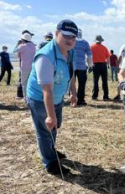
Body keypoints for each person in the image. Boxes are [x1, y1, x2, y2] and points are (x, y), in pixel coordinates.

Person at [26, 19, 78, 175]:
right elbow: (46, 89)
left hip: (56, 98)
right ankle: (50, 163)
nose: (69, 40)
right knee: (45, 129)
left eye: (73, 37)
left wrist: (73, 93)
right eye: (65, 36)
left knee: (55, 126)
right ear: (56, 34)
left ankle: (51, 150)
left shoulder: (71, 52)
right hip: (40, 99)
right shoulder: (45, 57)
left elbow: (71, 75)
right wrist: (50, 115)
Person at [13, 33, 36, 100]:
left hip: (24, 67)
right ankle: (31, 96)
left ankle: (26, 97)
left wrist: (18, 44)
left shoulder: (22, 46)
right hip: (32, 67)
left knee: (24, 83)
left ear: (23, 39)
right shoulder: (33, 46)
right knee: (31, 82)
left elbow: (14, 50)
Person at [74, 28, 93, 106]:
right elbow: (89, 55)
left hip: (71, 66)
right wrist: (90, 66)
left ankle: (72, 98)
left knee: (71, 83)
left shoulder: (71, 42)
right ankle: (81, 100)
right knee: (82, 84)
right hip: (82, 66)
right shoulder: (85, 43)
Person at [90, 35, 111, 101]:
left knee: (95, 81)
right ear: (101, 41)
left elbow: (89, 57)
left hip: (95, 65)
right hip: (103, 65)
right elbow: (108, 58)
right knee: (104, 81)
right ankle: (105, 96)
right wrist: (108, 65)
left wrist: (90, 65)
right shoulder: (104, 48)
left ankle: (94, 96)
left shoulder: (91, 47)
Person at [113, 36, 125, 101]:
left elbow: (119, 57)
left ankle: (118, 95)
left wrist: (118, 66)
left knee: (120, 81)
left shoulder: (123, 46)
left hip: (124, 66)